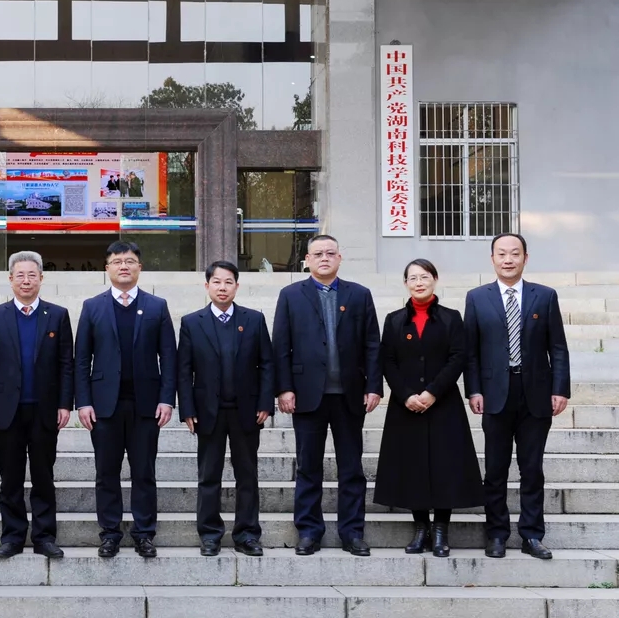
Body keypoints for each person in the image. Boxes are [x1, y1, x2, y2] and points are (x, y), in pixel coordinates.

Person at [273, 234, 382, 557]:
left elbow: (372, 344)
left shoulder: (359, 294)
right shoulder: (291, 295)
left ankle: (353, 533)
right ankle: (309, 531)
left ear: (339, 258)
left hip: (349, 394)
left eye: (330, 253)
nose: (324, 258)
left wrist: (374, 386)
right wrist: (284, 388)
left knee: (352, 469)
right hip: (307, 394)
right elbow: (281, 345)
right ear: (307, 259)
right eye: (318, 254)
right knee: (308, 467)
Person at [464, 233, 570, 560]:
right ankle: (496, 534)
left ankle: (532, 535)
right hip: (495, 395)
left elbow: (558, 347)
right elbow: (471, 352)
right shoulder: (477, 298)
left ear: (525, 257)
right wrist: (474, 389)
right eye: (501, 254)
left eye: (514, 253)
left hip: (535, 393)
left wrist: (560, 389)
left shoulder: (545, 296)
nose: (508, 259)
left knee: (532, 469)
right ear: (492, 259)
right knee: (495, 470)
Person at [373, 259, 483, 557]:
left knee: (445, 465)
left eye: (424, 277)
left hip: (443, 403)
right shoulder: (394, 320)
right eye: (413, 278)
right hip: (405, 406)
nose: (419, 282)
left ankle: (441, 530)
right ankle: (421, 527)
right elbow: (388, 361)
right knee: (413, 466)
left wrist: (432, 392)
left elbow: (458, 357)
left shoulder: (451, 318)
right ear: (405, 283)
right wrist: (406, 394)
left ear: (434, 279)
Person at [75, 241, 177, 558]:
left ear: (139, 267)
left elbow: (169, 357)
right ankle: (110, 533)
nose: (123, 266)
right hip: (104, 406)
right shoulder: (92, 307)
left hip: (146, 405)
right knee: (106, 472)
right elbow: (82, 359)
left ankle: (144, 533)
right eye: (117, 261)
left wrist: (167, 399)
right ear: (107, 268)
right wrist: (83, 402)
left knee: (144, 472)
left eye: (130, 261)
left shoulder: (157, 306)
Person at [0, 251, 74, 559]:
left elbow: (66, 364)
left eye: (32, 275)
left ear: (41, 278)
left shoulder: (57, 315)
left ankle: (44, 537)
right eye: (20, 275)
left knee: (44, 476)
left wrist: (65, 404)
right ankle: (13, 536)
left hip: (45, 409)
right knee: (11, 477)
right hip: (7, 410)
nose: (26, 280)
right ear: (10, 279)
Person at [177, 261, 274, 557]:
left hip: (247, 410)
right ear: (207, 286)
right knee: (209, 475)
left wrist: (265, 403)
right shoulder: (192, 322)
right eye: (217, 282)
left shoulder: (254, 319)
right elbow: (184, 370)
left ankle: (247, 534)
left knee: (247, 475)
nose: (222, 287)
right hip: (208, 411)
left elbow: (267, 364)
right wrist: (187, 409)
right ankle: (209, 534)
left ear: (237, 286)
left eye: (228, 282)